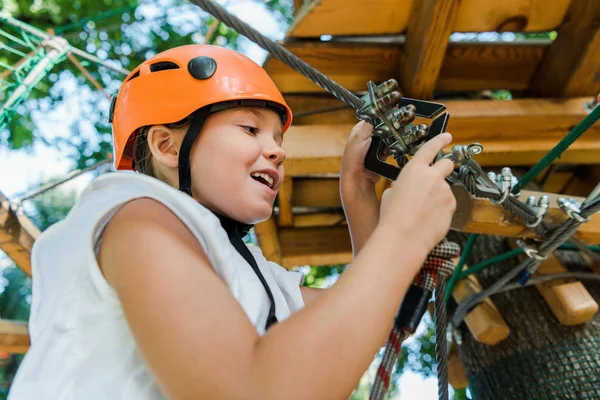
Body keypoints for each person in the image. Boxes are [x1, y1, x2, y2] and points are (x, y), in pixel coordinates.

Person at [9, 44, 456, 399]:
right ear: (166, 146)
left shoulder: (261, 278)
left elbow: (363, 319)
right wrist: (400, 234)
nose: (278, 151)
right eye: (250, 129)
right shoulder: (135, 215)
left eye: (278, 139)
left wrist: (358, 195)